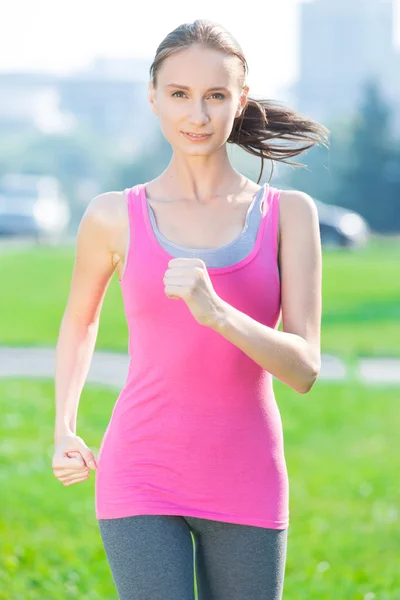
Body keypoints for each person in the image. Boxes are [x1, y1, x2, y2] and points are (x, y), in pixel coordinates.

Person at [52, 19, 329, 600]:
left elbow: (303, 369)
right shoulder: (112, 215)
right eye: (179, 94)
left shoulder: (289, 215)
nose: (197, 116)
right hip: (141, 471)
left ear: (240, 100)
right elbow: (80, 320)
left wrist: (219, 314)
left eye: (215, 96)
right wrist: (64, 427)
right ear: (152, 96)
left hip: (247, 473)